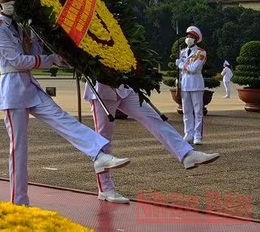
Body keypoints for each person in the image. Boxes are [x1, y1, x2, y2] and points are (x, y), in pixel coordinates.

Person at [0, 0, 130, 206]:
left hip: (30, 87)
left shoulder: (20, 26)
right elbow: (17, 61)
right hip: (13, 91)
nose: (11, 2)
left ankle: (98, 154)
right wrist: (50, 59)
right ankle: (19, 202)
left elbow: (34, 48)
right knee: (19, 151)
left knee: (63, 118)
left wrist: (41, 32)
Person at [85, 81, 220, 203]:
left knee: (154, 119)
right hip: (102, 92)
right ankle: (106, 189)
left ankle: (186, 154)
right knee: (104, 139)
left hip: (125, 88)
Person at [177, 26, 207, 144]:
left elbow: (194, 68)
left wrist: (180, 65)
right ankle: (188, 133)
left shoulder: (201, 52)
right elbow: (182, 71)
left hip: (196, 83)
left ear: (196, 39)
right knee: (186, 111)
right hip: (184, 84)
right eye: (187, 36)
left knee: (198, 111)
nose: (188, 38)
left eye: (191, 37)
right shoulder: (182, 52)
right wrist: (178, 82)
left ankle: (197, 135)